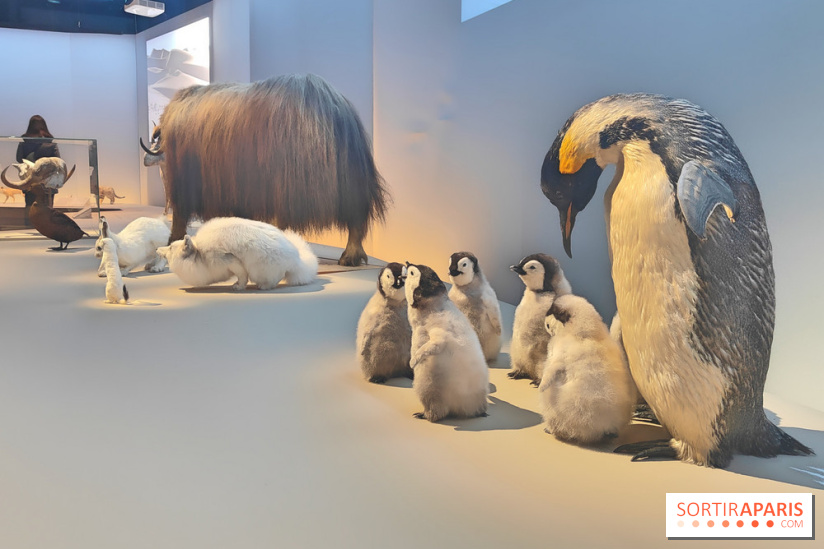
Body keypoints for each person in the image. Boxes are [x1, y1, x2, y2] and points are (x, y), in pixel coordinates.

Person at [15, 115, 61, 209]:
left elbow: (19, 159)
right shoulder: (51, 144)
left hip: (32, 183)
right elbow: (58, 160)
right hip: (47, 183)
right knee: (47, 210)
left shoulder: (24, 144)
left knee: (30, 210)